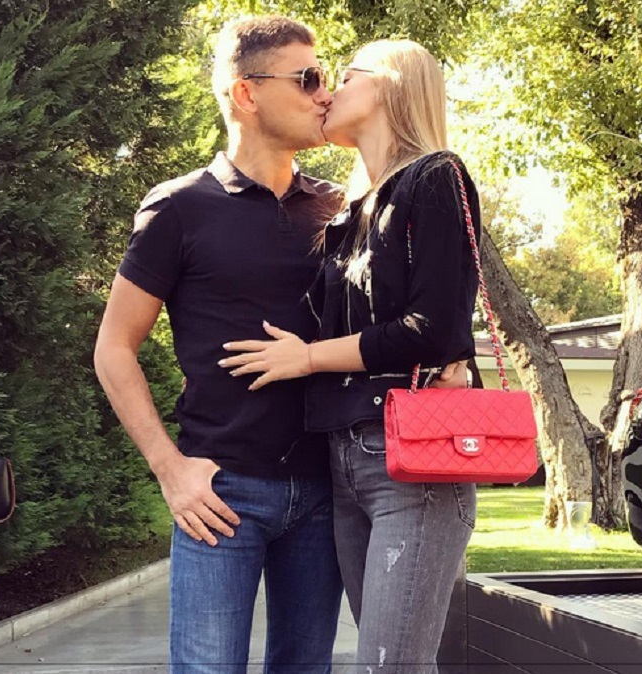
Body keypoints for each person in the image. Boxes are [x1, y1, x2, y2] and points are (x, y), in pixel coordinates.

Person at [93, 16, 347, 674]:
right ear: (246, 92)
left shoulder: (342, 209)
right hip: (220, 494)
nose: (325, 94)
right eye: (308, 78)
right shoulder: (177, 208)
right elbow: (114, 347)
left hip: (326, 491)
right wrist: (169, 469)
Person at [220, 39, 482, 673]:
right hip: (344, 459)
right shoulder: (350, 211)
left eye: (341, 76)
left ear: (390, 84)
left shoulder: (435, 176)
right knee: (386, 662)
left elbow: (433, 328)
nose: (326, 92)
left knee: (390, 666)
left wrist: (308, 358)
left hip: (412, 465)